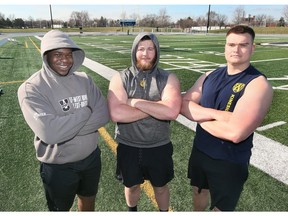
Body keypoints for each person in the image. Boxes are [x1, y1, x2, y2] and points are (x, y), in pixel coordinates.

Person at [181, 25, 273, 211]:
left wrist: (197, 115)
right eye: (231, 44)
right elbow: (183, 105)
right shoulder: (209, 75)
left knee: (220, 209)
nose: (236, 50)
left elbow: (236, 133)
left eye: (243, 45)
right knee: (199, 192)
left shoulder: (258, 84)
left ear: (252, 48)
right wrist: (218, 115)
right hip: (200, 151)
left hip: (229, 160)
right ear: (225, 47)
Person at [17, 30, 110, 211]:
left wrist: (64, 126)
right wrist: (86, 112)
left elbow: (104, 114)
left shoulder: (85, 80)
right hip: (58, 167)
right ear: (46, 57)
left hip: (91, 159)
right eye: (58, 54)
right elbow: (50, 133)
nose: (65, 60)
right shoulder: (31, 89)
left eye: (68, 54)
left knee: (88, 202)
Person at [107, 32, 181, 211]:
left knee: (161, 187)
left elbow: (171, 111)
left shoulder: (168, 78)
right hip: (128, 145)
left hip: (158, 145)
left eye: (150, 49)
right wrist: (157, 107)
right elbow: (116, 113)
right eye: (141, 49)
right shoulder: (121, 77)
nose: (145, 53)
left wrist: (133, 102)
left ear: (156, 52)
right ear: (134, 51)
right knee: (131, 186)